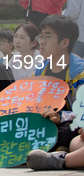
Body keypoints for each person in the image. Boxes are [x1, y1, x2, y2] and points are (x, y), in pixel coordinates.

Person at [34, 15, 84, 151]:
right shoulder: (39, 71)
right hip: (45, 121)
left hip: (69, 122)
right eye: (41, 37)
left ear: (64, 43)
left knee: (69, 130)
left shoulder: (80, 73)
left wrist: (60, 117)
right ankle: (57, 149)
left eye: (47, 37)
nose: (41, 42)